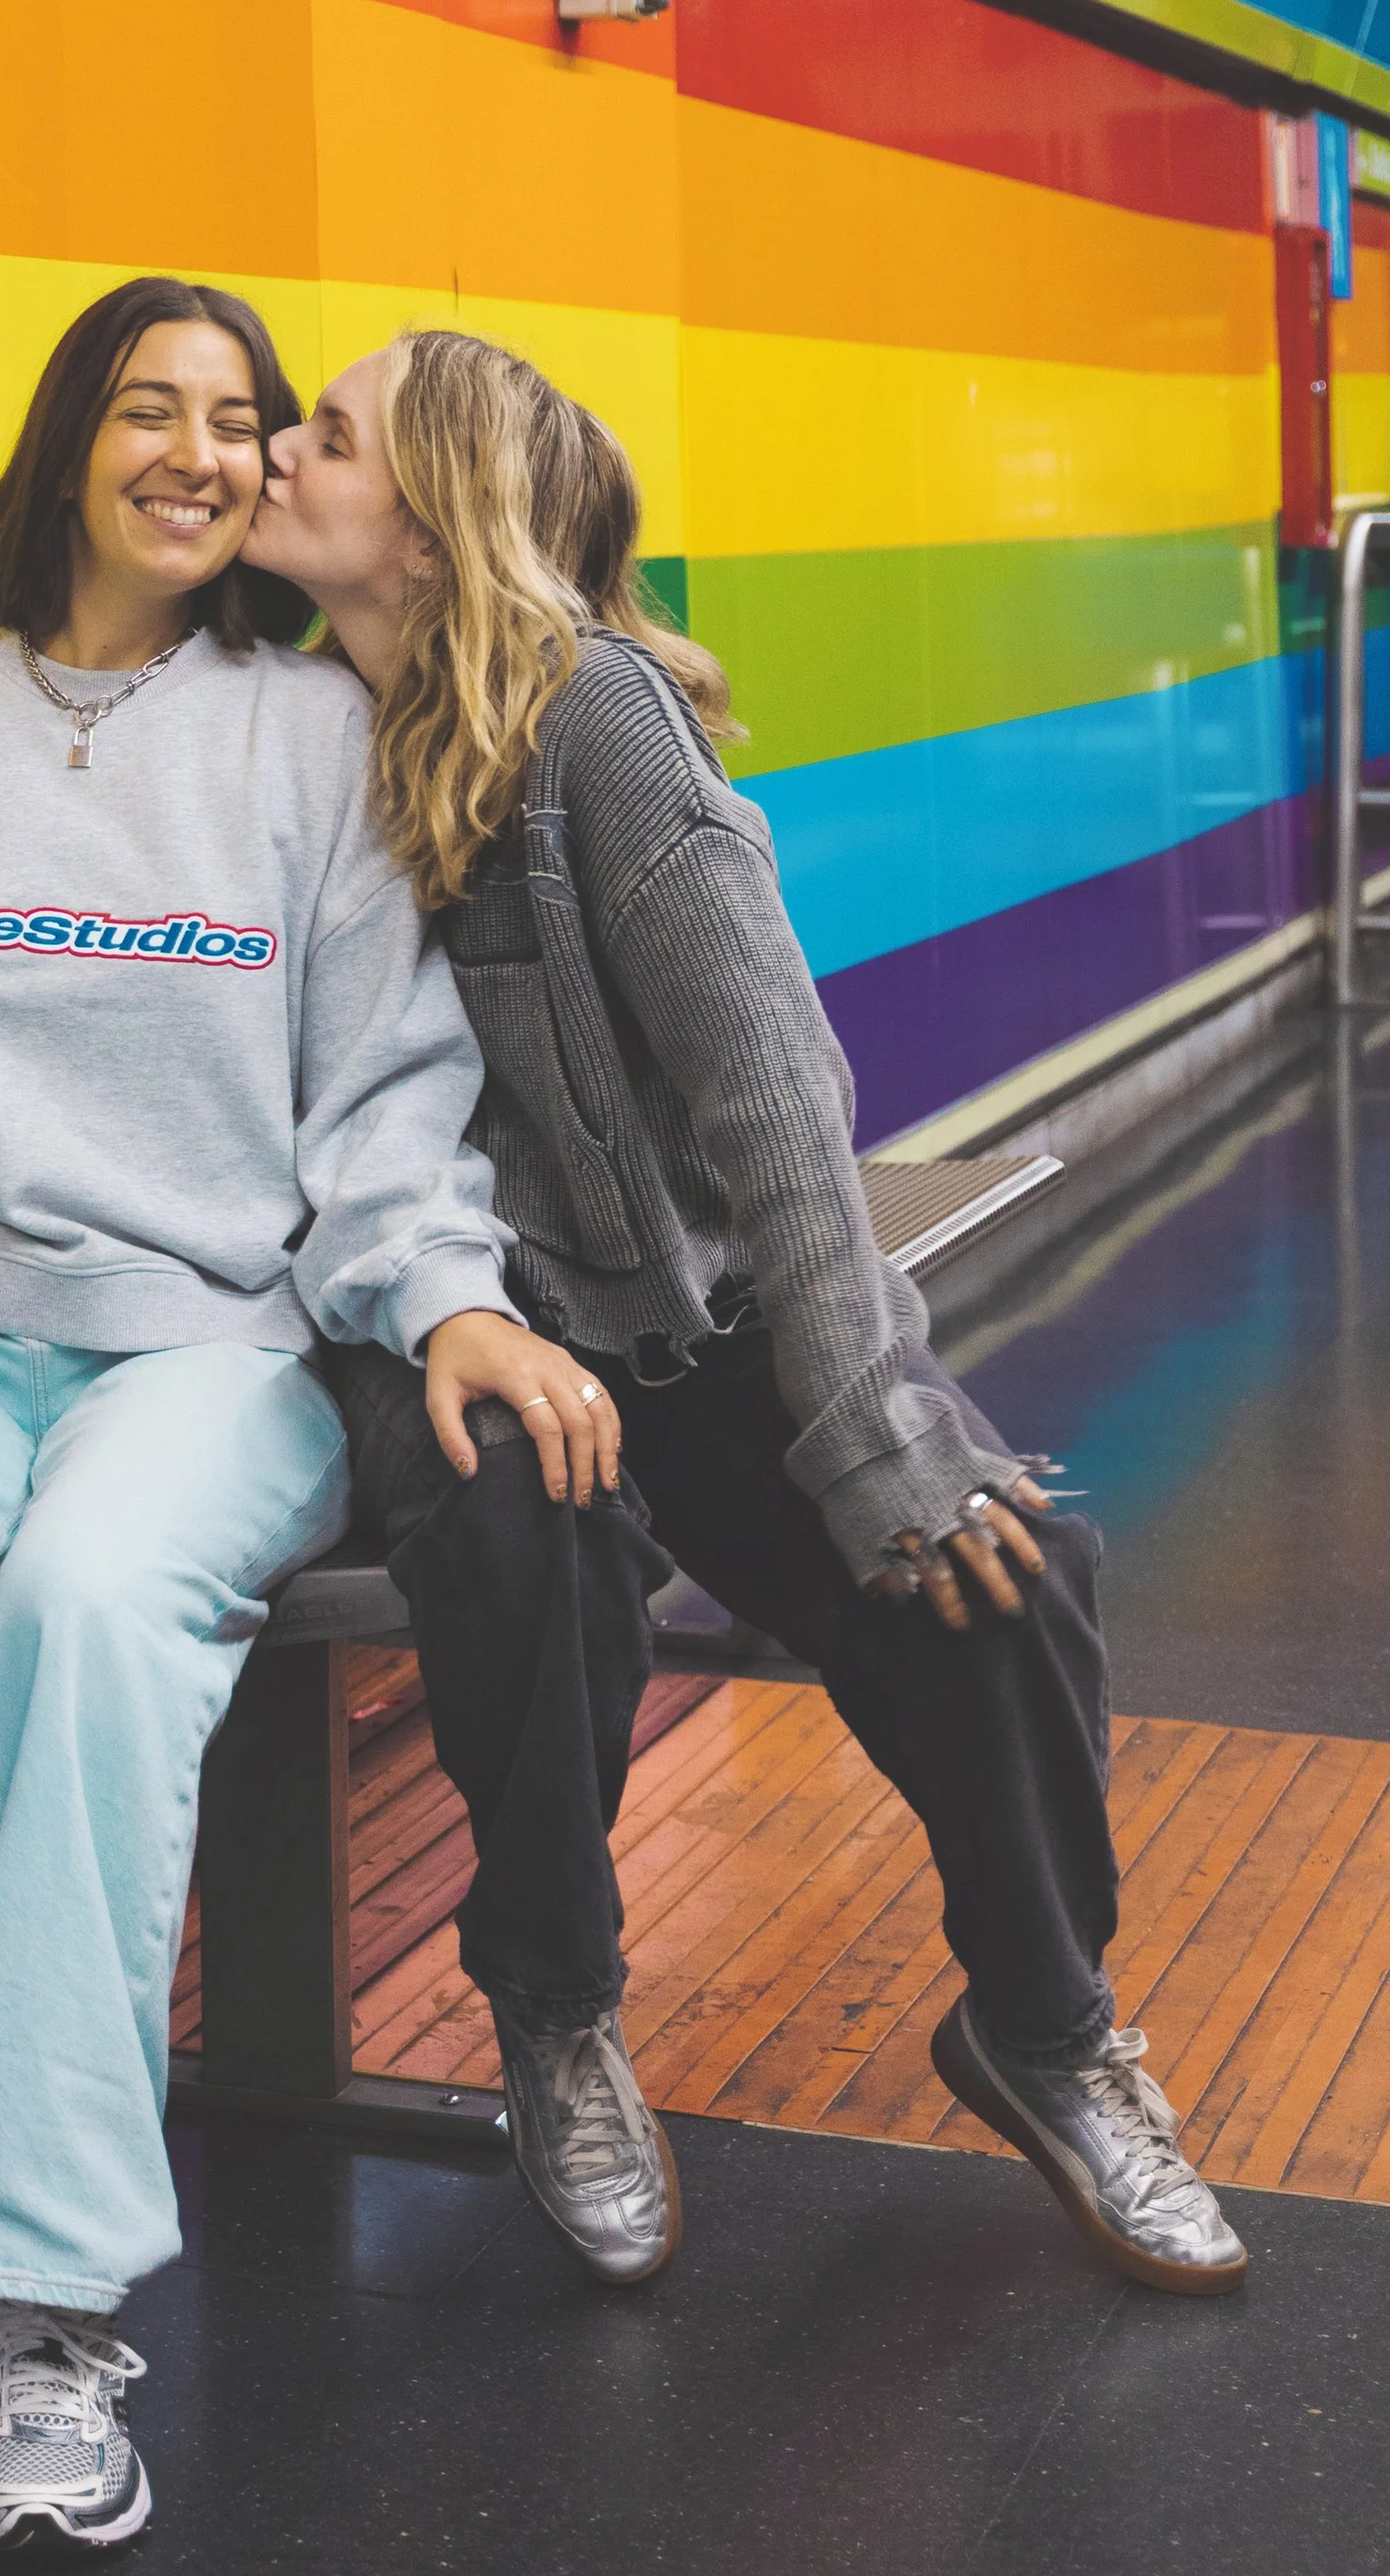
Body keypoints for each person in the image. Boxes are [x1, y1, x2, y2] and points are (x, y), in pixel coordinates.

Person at [0, 279, 614, 2554]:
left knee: (93, 1620)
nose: (202, 453)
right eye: (151, 409)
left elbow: (386, 1112)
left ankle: (40, 2309)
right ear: (67, 443)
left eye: (243, 419)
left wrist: (440, 1308)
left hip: (217, 1348)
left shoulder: (311, 743)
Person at [241, 323, 1249, 2300]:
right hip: (413, 1323)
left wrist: (872, 1421)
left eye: (327, 434)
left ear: (435, 533)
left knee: (1000, 1568)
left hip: (657, 1310)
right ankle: (556, 2010)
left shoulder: (589, 726)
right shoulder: (275, 736)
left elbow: (771, 1099)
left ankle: (1041, 2030)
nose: (278, 448)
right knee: (539, 1518)